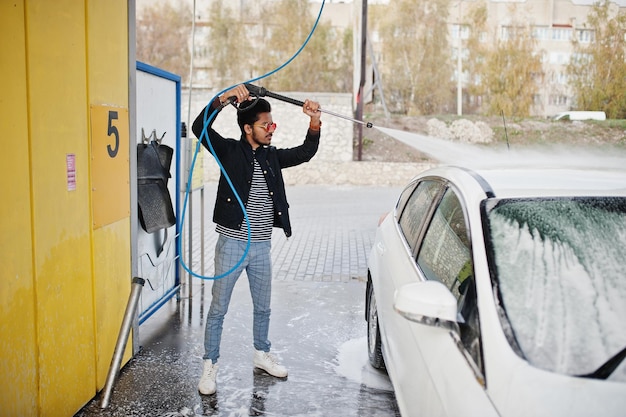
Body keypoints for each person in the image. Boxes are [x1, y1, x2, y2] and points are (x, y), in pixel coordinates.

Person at [191, 84, 322, 395]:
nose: (271, 130)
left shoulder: (272, 157)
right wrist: (223, 99)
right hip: (232, 244)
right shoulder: (228, 151)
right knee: (219, 308)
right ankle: (210, 364)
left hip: (262, 246)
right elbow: (199, 127)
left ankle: (261, 353)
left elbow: (305, 153)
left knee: (263, 307)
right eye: (266, 125)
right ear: (248, 128)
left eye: (272, 124)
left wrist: (314, 121)